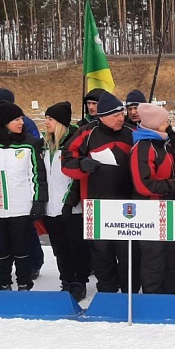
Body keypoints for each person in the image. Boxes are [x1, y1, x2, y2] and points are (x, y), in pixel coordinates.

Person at [62, 91, 139, 293]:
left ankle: (129, 292)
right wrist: (82, 164)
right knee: (101, 253)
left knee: (127, 253)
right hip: (96, 205)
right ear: (101, 116)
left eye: (121, 113)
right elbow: (66, 160)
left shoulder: (132, 133)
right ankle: (106, 292)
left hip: (127, 204)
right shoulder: (87, 133)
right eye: (115, 115)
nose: (121, 118)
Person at [0, 101, 46, 291]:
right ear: (5, 121)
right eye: (16, 119)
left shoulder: (30, 143)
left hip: (20, 207)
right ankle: (3, 283)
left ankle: (24, 283)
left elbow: (37, 176)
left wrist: (38, 201)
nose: (21, 122)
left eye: (21, 118)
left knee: (21, 249)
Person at [0, 87, 44, 280]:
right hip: (4, 194)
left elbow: (33, 146)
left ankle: (34, 263)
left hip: (22, 191)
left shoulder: (24, 123)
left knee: (27, 232)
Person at [130, 103, 175, 294]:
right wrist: (173, 184)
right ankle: (152, 298)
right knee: (154, 258)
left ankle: (168, 296)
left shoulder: (164, 144)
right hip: (150, 210)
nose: (168, 123)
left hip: (167, 209)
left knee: (170, 256)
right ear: (154, 124)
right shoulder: (143, 147)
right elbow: (143, 184)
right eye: (164, 121)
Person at [41, 101, 91, 301]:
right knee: (59, 248)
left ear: (60, 122)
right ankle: (67, 280)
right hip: (50, 207)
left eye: (50, 119)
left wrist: (70, 202)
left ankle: (79, 282)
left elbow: (77, 177)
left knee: (76, 247)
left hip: (71, 208)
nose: (46, 122)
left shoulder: (72, 145)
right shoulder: (45, 146)